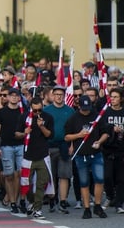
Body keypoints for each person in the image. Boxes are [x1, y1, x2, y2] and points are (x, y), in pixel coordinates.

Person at [65, 95, 110, 219]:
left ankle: (97, 205)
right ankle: (86, 208)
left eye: (88, 108)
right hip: (81, 155)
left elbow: (105, 132)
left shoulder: (97, 116)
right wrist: (79, 135)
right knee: (84, 182)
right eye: (84, 108)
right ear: (79, 106)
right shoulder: (73, 118)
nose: (86, 111)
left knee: (99, 179)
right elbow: (67, 136)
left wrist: (99, 142)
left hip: (96, 153)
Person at [15, 98, 54, 219]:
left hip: (42, 155)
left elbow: (49, 135)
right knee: (26, 184)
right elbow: (16, 134)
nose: (37, 112)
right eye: (35, 110)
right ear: (31, 107)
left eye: (39, 110)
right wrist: (24, 133)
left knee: (41, 183)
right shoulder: (24, 117)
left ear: (43, 106)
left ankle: (38, 209)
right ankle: (31, 202)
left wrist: (41, 126)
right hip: (28, 156)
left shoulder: (48, 117)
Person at [43, 85, 75, 214]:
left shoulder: (70, 111)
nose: (58, 97)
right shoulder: (46, 110)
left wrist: (72, 145)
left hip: (65, 145)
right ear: (52, 95)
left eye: (61, 94)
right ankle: (52, 200)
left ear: (64, 96)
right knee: (51, 176)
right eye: (56, 94)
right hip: (50, 145)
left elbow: (74, 129)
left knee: (64, 175)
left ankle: (63, 201)